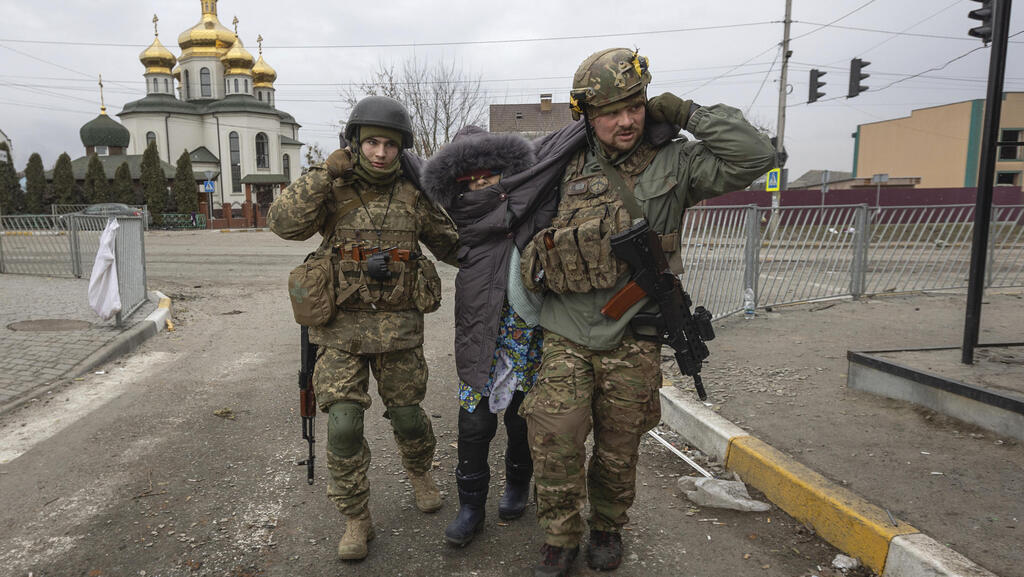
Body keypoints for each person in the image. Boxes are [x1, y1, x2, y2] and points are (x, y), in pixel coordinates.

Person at [518, 48, 777, 576]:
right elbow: (519, 224)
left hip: (633, 330)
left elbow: (756, 156)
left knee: (620, 444)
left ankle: (608, 527)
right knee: (554, 440)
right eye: (611, 110)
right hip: (566, 327)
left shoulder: (675, 162)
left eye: (635, 105)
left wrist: (684, 112)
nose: (627, 120)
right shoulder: (561, 163)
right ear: (588, 115)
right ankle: (560, 536)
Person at [267, 95, 460, 561]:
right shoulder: (331, 188)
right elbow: (282, 224)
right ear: (353, 143)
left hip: (398, 333)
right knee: (345, 425)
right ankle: (357, 518)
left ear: (401, 149)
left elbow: (454, 245)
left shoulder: (415, 194)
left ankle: (419, 472)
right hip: (341, 333)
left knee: (410, 419)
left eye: (389, 145)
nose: (379, 152)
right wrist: (321, 173)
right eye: (370, 142)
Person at [421, 125, 577, 547]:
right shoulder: (462, 222)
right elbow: (410, 165)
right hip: (480, 341)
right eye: (468, 180)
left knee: (521, 420)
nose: (478, 186)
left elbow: (560, 144)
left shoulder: (535, 205)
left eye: (486, 176)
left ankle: (517, 486)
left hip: (527, 340)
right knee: (474, 426)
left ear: (504, 171)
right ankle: (470, 508)